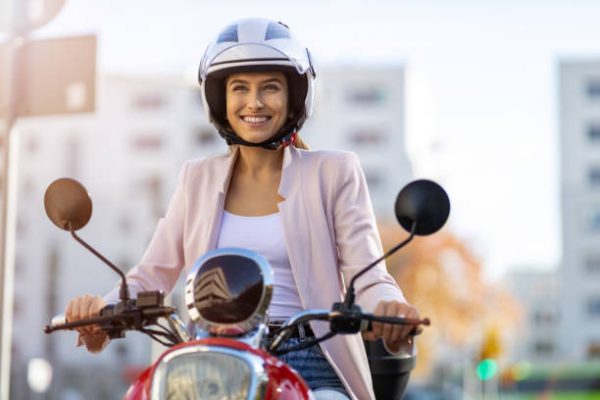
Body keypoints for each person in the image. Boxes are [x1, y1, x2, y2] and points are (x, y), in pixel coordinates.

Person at [65, 18, 420, 400]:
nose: (254, 102)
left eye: (270, 87)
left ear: (294, 96)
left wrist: (391, 308)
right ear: (220, 98)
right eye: (240, 88)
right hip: (210, 358)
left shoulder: (333, 172)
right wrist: (103, 309)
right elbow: (151, 274)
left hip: (309, 357)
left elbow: (367, 273)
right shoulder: (196, 178)